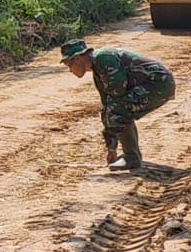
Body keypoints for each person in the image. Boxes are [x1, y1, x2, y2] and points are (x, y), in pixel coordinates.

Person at [59, 39, 176, 171]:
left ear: (78, 58)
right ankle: (131, 156)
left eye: (69, 65)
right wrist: (111, 148)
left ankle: (132, 158)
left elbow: (117, 95)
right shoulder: (98, 70)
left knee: (118, 111)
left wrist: (112, 121)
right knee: (115, 110)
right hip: (153, 84)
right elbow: (106, 107)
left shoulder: (104, 59)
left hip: (159, 83)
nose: (70, 70)